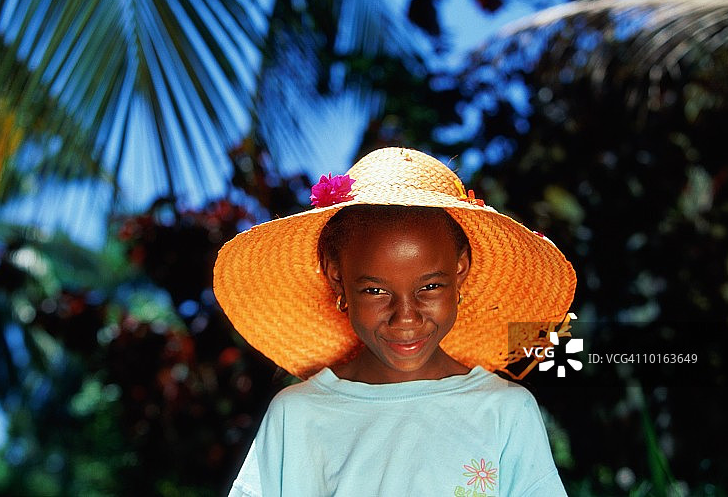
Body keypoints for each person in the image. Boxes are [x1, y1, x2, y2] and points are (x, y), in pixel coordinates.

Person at [213, 147, 577, 496]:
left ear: (460, 269)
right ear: (337, 277)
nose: (406, 317)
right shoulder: (295, 417)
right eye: (375, 291)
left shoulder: (506, 412)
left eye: (430, 286)